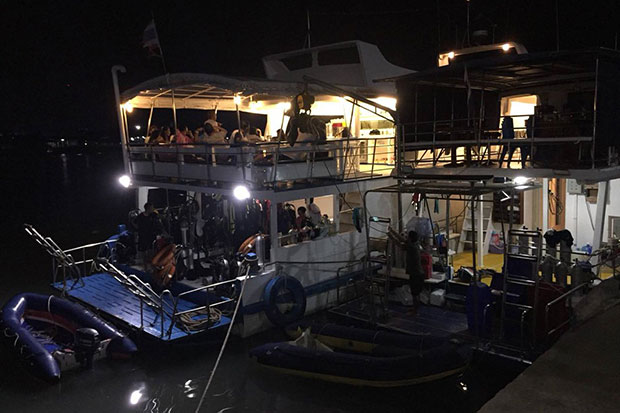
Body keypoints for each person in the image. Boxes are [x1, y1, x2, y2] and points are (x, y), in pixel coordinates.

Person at [136, 202, 163, 268]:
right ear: (148, 208)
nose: (153, 209)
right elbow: (135, 224)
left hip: (151, 236)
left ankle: (152, 266)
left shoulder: (153, 215)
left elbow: (159, 222)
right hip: (143, 236)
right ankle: (145, 267)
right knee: (144, 252)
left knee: (151, 251)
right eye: (151, 208)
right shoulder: (140, 217)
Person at [405, 231, 425, 310]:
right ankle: (416, 308)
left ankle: (415, 310)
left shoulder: (411, 247)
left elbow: (400, 244)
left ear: (410, 238)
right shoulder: (416, 244)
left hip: (415, 274)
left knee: (414, 293)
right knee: (417, 293)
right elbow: (403, 241)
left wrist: (390, 234)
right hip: (420, 273)